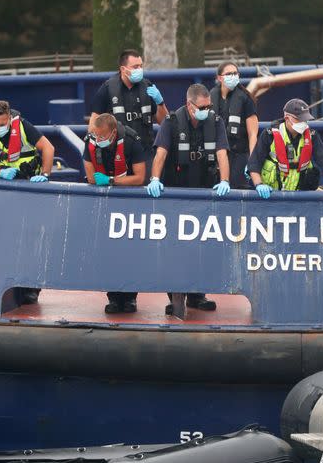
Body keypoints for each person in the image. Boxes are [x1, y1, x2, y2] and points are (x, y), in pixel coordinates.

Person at [147, 83, 233, 314]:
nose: (207, 110)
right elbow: (161, 154)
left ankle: (198, 294)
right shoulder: (172, 122)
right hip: (176, 195)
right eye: (202, 107)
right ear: (190, 105)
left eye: (209, 106)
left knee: (203, 247)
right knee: (174, 249)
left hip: (204, 194)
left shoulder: (215, 123)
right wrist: (155, 179)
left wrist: (225, 181)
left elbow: (222, 154)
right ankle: (175, 296)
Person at [0, 100, 55, 305]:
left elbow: (49, 148)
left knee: (30, 239)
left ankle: (31, 288)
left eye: (2, 124)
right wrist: (0, 173)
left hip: (28, 188)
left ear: (9, 119)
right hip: (1, 191)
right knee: (0, 238)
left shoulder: (23, 127)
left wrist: (44, 175)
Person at [84, 113, 147, 313]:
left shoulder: (131, 141)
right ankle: (113, 297)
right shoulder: (90, 142)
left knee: (131, 250)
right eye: (96, 136)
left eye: (102, 137)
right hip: (105, 202)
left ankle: (130, 298)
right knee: (107, 249)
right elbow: (90, 177)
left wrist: (111, 181)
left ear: (112, 133)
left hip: (130, 202)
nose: (98, 140)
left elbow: (139, 177)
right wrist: (102, 181)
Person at [248, 98, 323, 202]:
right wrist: (259, 184)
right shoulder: (270, 134)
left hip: (300, 195)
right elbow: (254, 163)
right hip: (271, 194)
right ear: (287, 118)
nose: (303, 123)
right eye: (299, 119)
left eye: (305, 119)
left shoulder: (312, 136)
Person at [89, 49, 169, 172]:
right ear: (123, 69)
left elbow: (163, 122)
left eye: (141, 66)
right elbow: (93, 125)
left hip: (144, 154)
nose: (139, 70)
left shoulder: (147, 86)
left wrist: (160, 102)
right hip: (118, 155)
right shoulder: (108, 88)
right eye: (135, 66)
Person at [209, 61, 258, 189]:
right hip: (216, 155)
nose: (233, 76)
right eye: (229, 73)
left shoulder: (246, 98)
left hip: (238, 154)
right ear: (220, 78)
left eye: (235, 73)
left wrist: (252, 161)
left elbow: (253, 134)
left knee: (238, 190)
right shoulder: (210, 97)